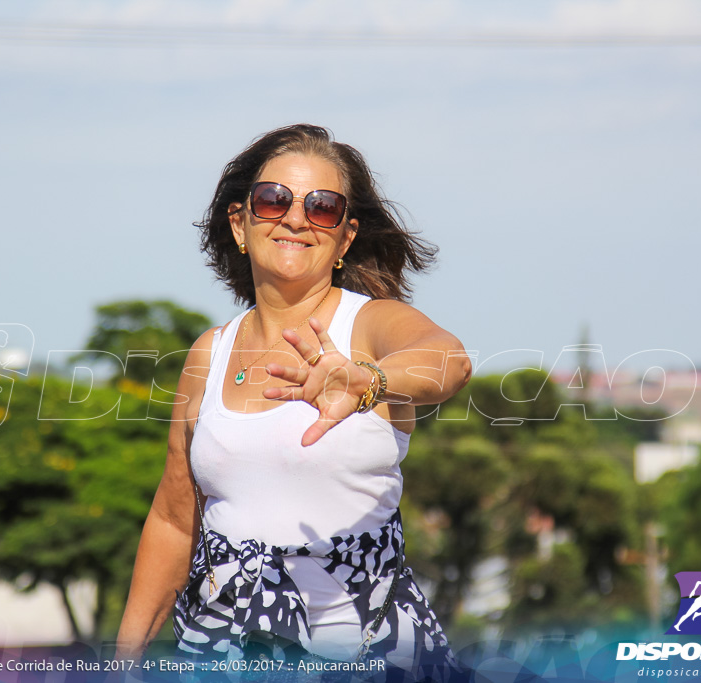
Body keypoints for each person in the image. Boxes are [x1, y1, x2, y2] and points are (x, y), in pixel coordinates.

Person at [116, 124, 472, 680]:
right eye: (273, 199)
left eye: (323, 207)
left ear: (345, 237)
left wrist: (367, 380)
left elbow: (448, 360)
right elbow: (173, 517)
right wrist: (121, 661)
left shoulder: (368, 325)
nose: (297, 218)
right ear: (240, 222)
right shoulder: (210, 353)